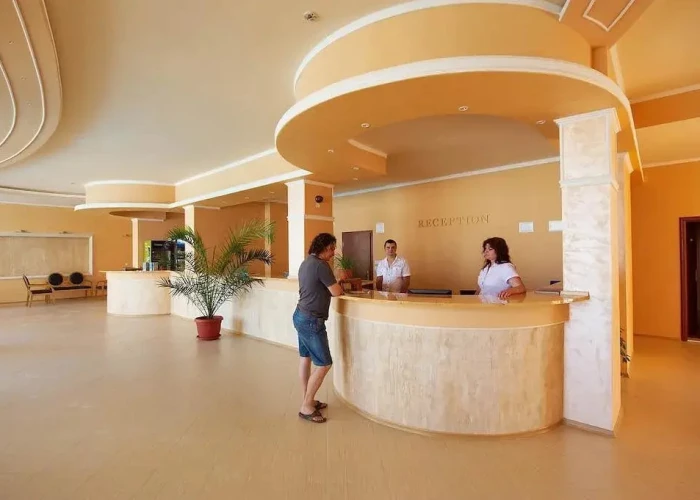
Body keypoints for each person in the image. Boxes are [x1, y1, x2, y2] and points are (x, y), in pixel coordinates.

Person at [293, 233, 344, 424]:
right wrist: (340, 280)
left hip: (300, 315)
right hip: (311, 320)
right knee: (324, 364)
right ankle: (306, 406)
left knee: (305, 358)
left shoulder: (306, 262)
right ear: (323, 247)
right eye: (331, 248)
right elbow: (336, 292)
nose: (333, 252)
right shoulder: (321, 266)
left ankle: (307, 399)